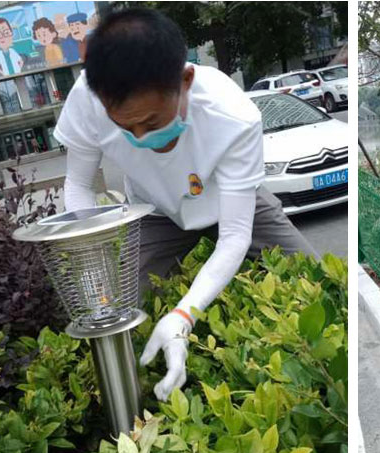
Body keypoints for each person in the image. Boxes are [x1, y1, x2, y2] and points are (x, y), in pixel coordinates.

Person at [53, 8, 316, 402]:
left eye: (152, 121)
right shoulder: (88, 99)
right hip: (155, 211)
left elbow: (233, 237)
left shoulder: (233, 116)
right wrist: (94, 266)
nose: (141, 136)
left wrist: (183, 315)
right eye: (126, 127)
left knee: (315, 283)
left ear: (185, 80)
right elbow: (76, 186)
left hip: (231, 201)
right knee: (118, 314)